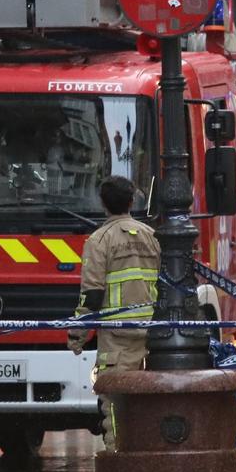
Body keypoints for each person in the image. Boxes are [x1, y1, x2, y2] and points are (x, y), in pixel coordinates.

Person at [67, 175, 159, 447]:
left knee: (114, 403)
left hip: (117, 337)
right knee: (147, 401)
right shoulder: (151, 236)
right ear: (132, 202)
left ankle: (119, 458)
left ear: (103, 204)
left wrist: (77, 336)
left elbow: (92, 295)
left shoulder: (99, 240)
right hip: (151, 333)